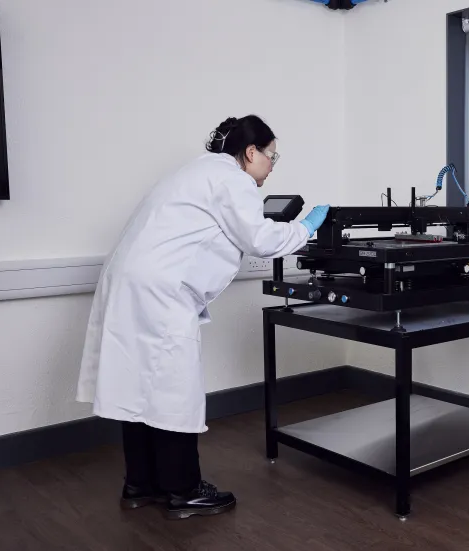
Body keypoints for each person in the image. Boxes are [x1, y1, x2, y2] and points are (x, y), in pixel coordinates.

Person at [76, 115, 329, 520]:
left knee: (138, 382)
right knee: (172, 388)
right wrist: (307, 228)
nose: (270, 165)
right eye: (272, 156)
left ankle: (140, 484)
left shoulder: (194, 171)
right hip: (160, 293)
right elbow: (260, 240)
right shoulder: (232, 180)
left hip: (130, 283)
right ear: (251, 153)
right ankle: (184, 490)